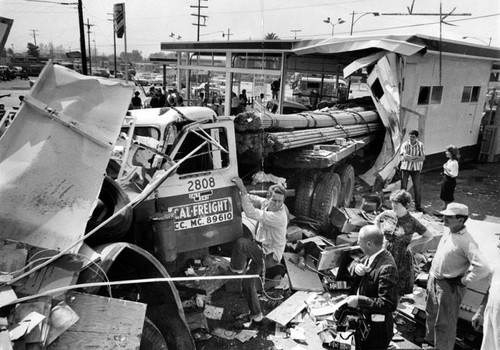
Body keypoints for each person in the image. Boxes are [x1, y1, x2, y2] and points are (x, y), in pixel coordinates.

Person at [425, 203, 491, 350]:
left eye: (449, 217)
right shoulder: (449, 231)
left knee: (445, 323)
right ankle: (430, 343)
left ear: (461, 220)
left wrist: (463, 280)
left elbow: (483, 267)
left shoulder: (467, 241)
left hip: (448, 287)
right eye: (444, 216)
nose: (444, 219)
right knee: (431, 314)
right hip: (434, 280)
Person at [225, 177, 288, 326]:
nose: (277, 204)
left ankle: (236, 269)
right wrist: (241, 192)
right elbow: (255, 199)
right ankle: (257, 316)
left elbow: (252, 213)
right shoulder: (267, 203)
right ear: (269, 198)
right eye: (274, 200)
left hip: (269, 256)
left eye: (280, 201)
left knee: (241, 244)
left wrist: (243, 189)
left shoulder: (279, 216)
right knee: (248, 284)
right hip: (261, 250)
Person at [344, 225, 399, 350]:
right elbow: (353, 261)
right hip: (365, 321)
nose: (357, 243)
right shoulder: (373, 254)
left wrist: (359, 300)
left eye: (359, 241)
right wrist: (356, 266)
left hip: (376, 332)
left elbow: (388, 304)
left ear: (369, 244)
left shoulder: (387, 268)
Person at [374, 190, 433, 298]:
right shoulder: (388, 214)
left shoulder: (412, 222)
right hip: (386, 252)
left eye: (396, 203)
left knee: (397, 286)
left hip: (401, 257)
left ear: (405, 205)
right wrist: (380, 234)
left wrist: (411, 244)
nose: (393, 205)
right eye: (392, 202)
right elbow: (377, 219)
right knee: (383, 279)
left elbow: (429, 236)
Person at [472, 233, 500, 350]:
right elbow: (491, 289)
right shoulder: (497, 265)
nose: (498, 245)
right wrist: (480, 311)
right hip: (491, 314)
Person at [400, 130, 425, 211]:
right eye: (410, 136)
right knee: (404, 187)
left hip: (416, 169)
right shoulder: (405, 144)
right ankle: (402, 205)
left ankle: (418, 206)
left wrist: (411, 158)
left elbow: (423, 157)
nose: (411, 138)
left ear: (416, 137)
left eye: (413, 137)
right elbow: (404, 156)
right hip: (405, 168)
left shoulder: (420, 145)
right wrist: (416, 158)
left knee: (417, 188)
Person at [440, 145, 460, 209]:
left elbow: (453, 174)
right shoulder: (449, 161)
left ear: (451, 153)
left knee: (448, 196)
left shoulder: (455, 162)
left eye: (447, 151)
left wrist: (445, 168)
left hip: (450, 180)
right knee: (444, 194)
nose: (446, 152)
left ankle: (447, 210)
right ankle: (444, 208)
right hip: (446, 178)